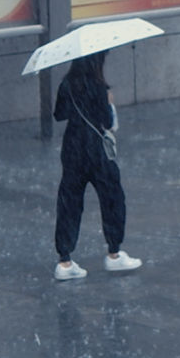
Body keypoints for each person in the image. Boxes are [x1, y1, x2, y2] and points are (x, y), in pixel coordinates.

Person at [50, 51, 139, 282]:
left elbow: (59, 115)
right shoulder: (98, 86)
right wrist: (108, 103)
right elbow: (108, 123)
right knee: (112, 198)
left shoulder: (66, 84)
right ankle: (114, 252)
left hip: (72, 148)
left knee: (69, 201)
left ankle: (64, 260)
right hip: (95, 149)